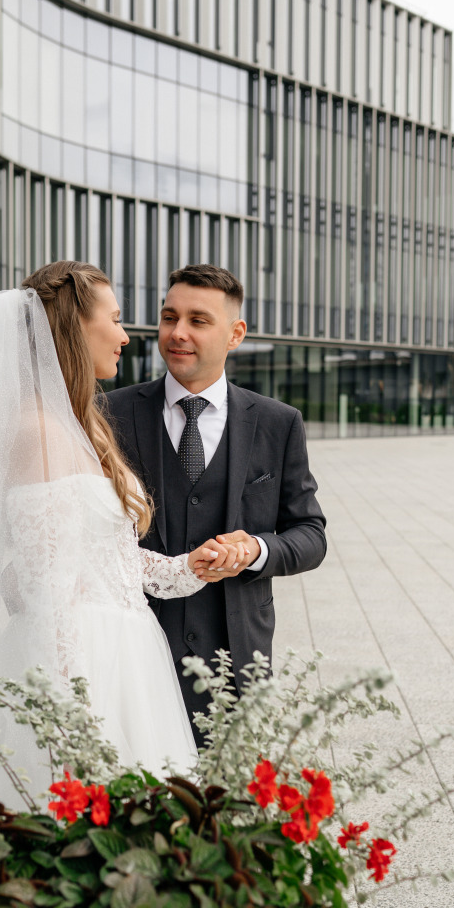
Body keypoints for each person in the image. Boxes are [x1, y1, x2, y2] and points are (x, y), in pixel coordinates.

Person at [0, 262, 247, 836]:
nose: (125, 335)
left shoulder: (78, 423)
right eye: (113, 320)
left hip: (123, 648)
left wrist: (188, 568)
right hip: (84, 662)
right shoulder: (35, 431)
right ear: (72, 330)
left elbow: (97, 557)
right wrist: (73, 716)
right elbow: (45, 588)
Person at [105, 264, 327, 741]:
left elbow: (311, 534)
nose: (178, 333)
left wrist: (255, 550)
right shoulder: (109, 413)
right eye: (169, 317)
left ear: (235, 333)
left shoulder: (277, 422)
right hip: (135, 658)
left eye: (198, 321)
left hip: (238, 660)